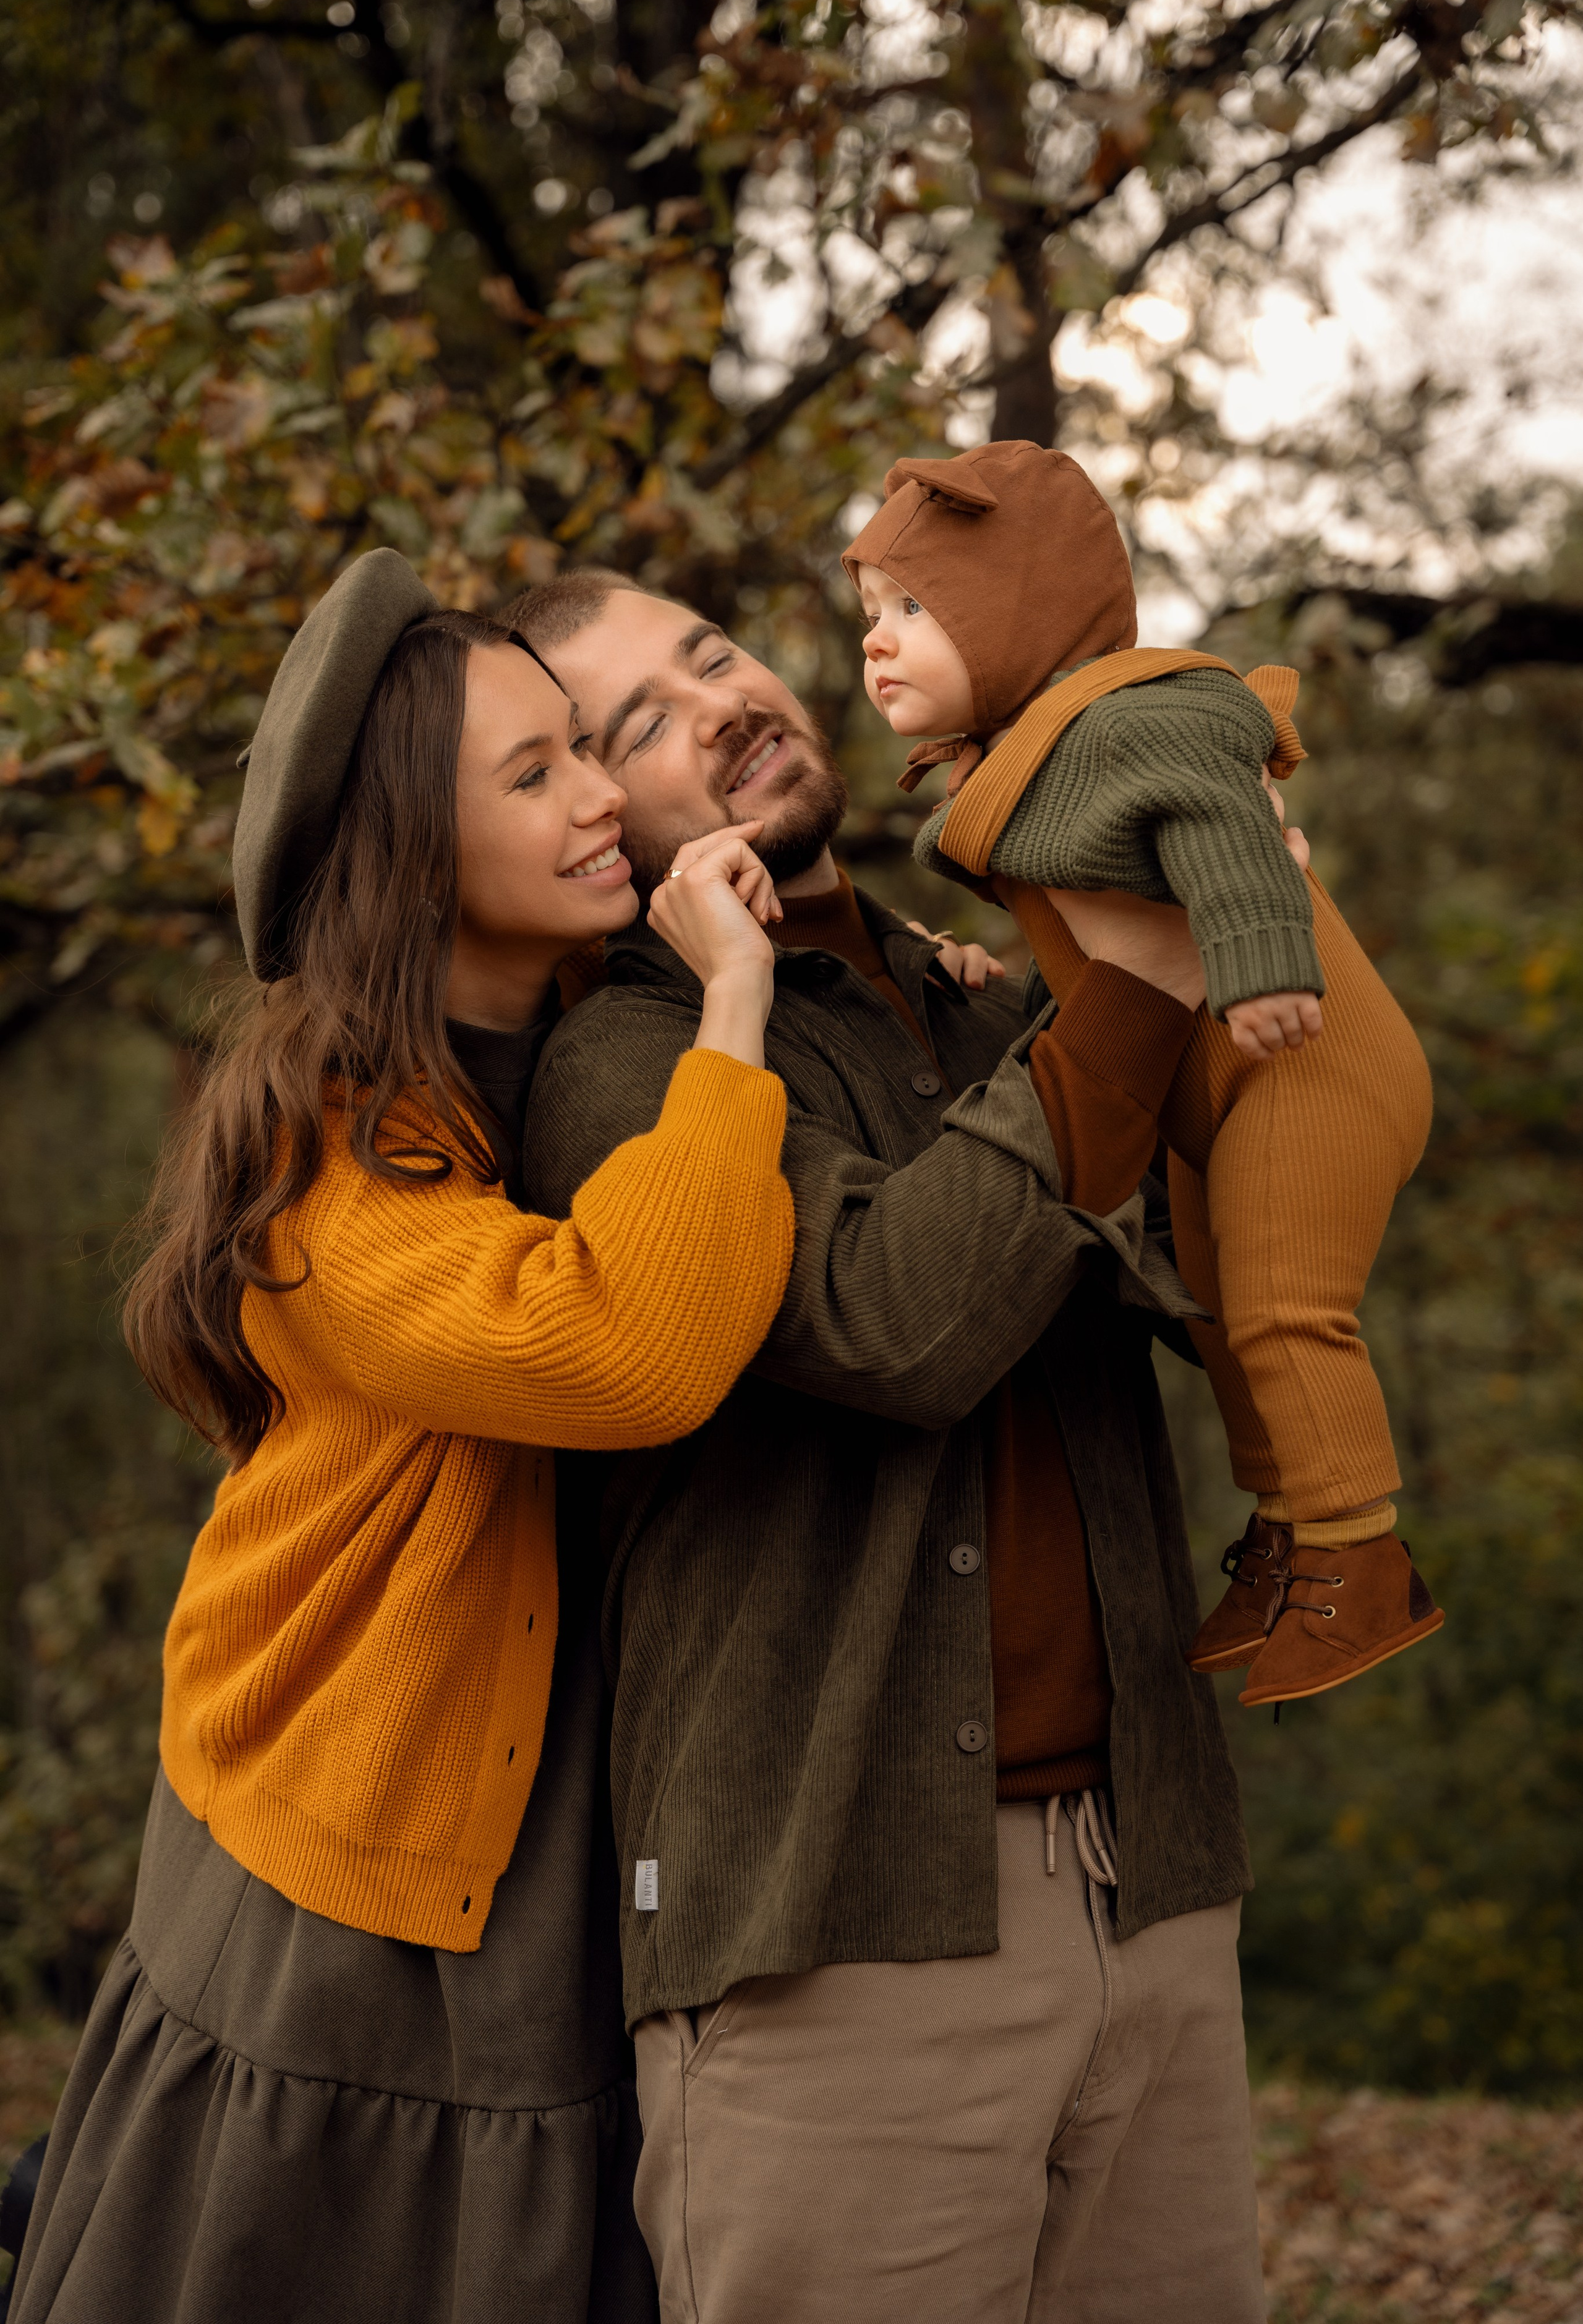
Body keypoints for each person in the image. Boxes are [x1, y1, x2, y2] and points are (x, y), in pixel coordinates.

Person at [11, 551, 795, 2324]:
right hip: (347, 1870)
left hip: (555, 1819)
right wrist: (741, 1007)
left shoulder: (585, 1038)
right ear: (406, 861)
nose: (604, 794)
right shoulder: (328, 1162)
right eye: (534, 777)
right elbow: (624, 1347)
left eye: (584, 747)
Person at [506, 565, 1273, 2323]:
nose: (721, 703)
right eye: (640, 723)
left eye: (711, 652)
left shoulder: (996, 987)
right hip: (833, 1923)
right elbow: (894, 1321)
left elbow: (1241, 1282)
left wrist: (1212, 929)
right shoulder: (623, 1065)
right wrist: (1132, 999)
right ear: (607, 817)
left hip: (1148, 1879)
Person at [845, 441, 1441, 1711]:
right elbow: (1107, 947)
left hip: (1304, 1059)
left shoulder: (1129, 716)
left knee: (1285, 1308)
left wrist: (1266, 960)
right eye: (868, 617)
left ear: (1019, 609)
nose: (875, 644)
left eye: (910, 607)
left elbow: (1223, 822)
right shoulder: (1026, 761)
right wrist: (1003, 988)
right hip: (1221, 1082)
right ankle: (1284, 1528)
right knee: (1216, 1307)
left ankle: (1359, 1556)